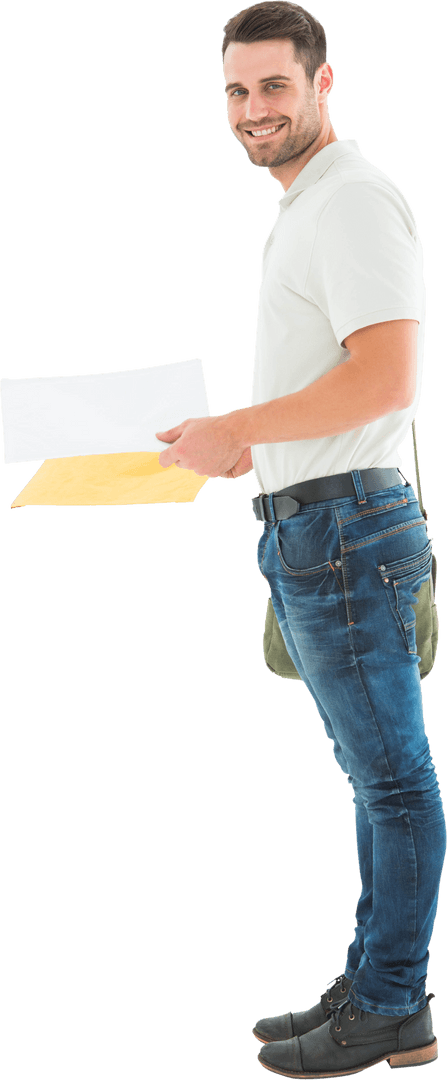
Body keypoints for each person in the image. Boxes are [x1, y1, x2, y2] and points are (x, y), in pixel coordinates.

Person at [156, 3, 446, 1075]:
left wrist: (241, 427)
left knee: (395, 784)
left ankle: (392, 1006)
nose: (252, 110)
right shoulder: (312, 205)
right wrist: (253, 447)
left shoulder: (350, 201)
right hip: (321, 522)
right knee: (376, 782)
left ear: (323, 84)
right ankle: (374, 982)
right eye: (236, 92)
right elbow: (333, 382)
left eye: (273, 86)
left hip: (343, 530)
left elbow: (387, 378)